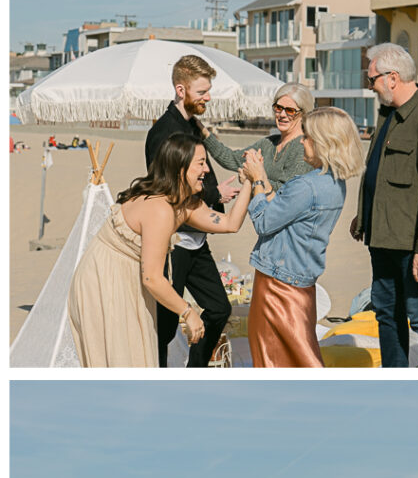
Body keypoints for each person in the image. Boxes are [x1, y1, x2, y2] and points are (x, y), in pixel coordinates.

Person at [68, 133, 253, 367]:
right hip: (104, 279)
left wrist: (249, 181)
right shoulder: (160, 209)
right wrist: (188, 312)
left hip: (130, 278)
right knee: (124, 359)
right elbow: (153, 278)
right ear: (179, 168)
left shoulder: (186, 203)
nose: (207, 169)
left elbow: (230, 224)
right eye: (200, 163)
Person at [351, 43, 418, 368]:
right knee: (386, 313)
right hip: (383, 238)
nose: (370, 86)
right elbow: (378, 173)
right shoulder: (388, 116)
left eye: (372, 80)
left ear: (393, 77)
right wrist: (363, 215)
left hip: (415, 246)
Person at [240, 106, 364, 367]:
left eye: (307, 136)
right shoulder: (333, 183)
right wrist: (263, 181)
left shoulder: (307, 185)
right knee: (298, 353)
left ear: (323, 143)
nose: (302, 141)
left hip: (277, 284)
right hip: (301, 284)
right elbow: (285, 214)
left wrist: (257, 180)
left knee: (273, 358)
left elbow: (264, 222)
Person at [145, 55, 239, 367]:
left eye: (209, 90)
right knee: (165, 327)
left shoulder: (190, 125)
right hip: (173, 244)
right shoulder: (165, 132)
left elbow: (200, 171)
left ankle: (195, 369)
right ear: (181, 89)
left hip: (197, 240)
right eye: (202, 92)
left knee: (219, 309)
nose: (208, 97)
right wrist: (217, 192)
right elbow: (168, 187)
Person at [196, 82, 314, 192]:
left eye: (290, 111)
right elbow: (231, 159)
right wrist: (204, 132)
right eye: (278, 108)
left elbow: (287, 191)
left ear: (303, 114)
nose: (282, 115)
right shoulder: (268, 143)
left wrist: (252, 179)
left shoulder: (304, 147)